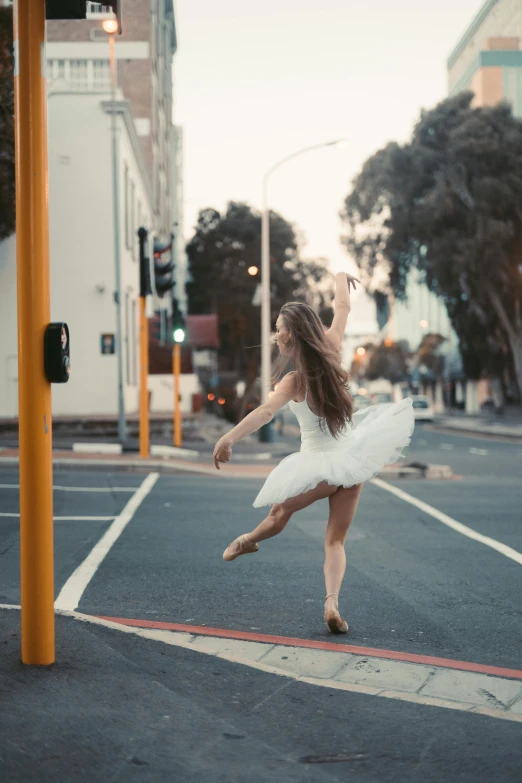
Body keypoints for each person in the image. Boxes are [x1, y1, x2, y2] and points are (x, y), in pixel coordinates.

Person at [213, 272, 414, 634]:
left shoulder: (293, 381)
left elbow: (264, 413)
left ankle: (247, 540)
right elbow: (342, 308)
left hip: (321, 467)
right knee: (335, 540)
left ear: (291, 335)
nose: (275, 335)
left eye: (278, 329)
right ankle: (332, 603)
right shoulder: (333, 351)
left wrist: (228, 437)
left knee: (278, 514)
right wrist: (339, 277)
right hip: (353, 461)